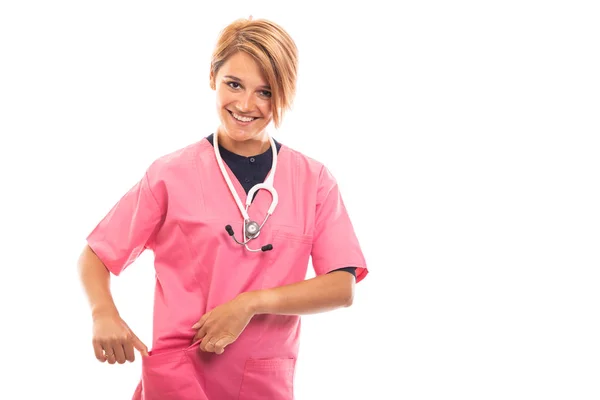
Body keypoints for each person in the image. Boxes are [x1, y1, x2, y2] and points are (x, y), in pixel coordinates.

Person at [77, 16, 368, 400]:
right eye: (234, 84)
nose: (246, 105)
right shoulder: (170, 174)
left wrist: (251, 303)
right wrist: (103, 313)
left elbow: (341, 285)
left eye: (265, 92)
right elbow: (97, 254)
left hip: (263, 381)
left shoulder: (313, 180)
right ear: (212, 77)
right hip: (179, 379)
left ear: (286, 94)